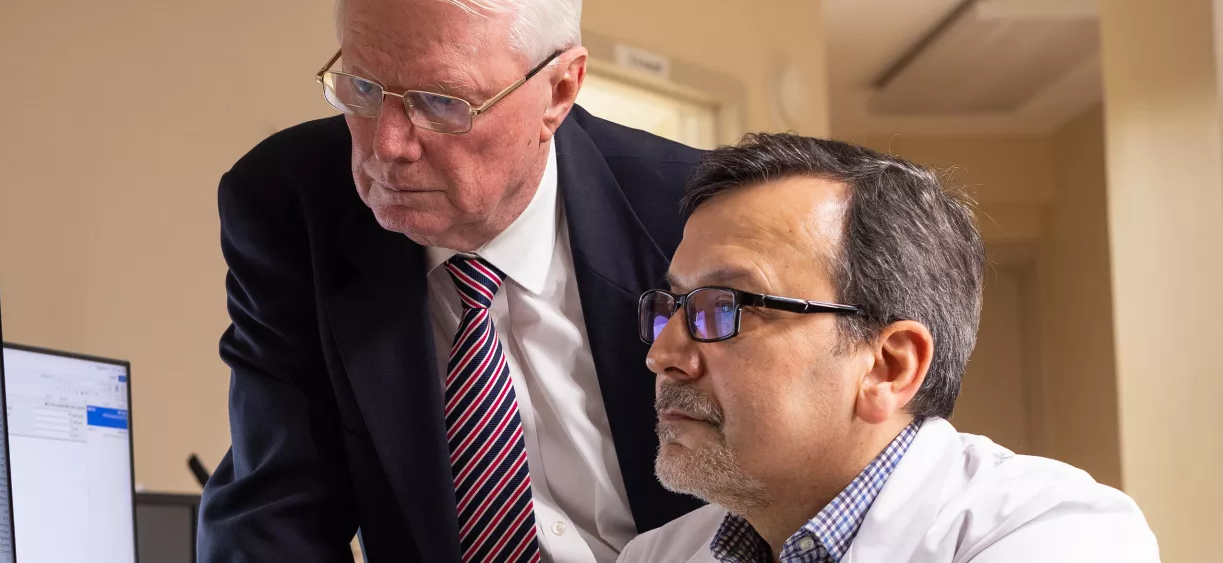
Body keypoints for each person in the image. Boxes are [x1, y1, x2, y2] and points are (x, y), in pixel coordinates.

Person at [197, 0, 707, 561]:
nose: (388, 147)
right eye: (362, 89)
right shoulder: (294, 205)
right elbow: (274, 510)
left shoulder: (694, 212)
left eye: (441, 102)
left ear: (560, 90)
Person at [618, 133, 1159, 563]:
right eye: (674, 306)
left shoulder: (1058, 535)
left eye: (725, 306)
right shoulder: (656, 555)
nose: (662, 353)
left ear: (888, 366)